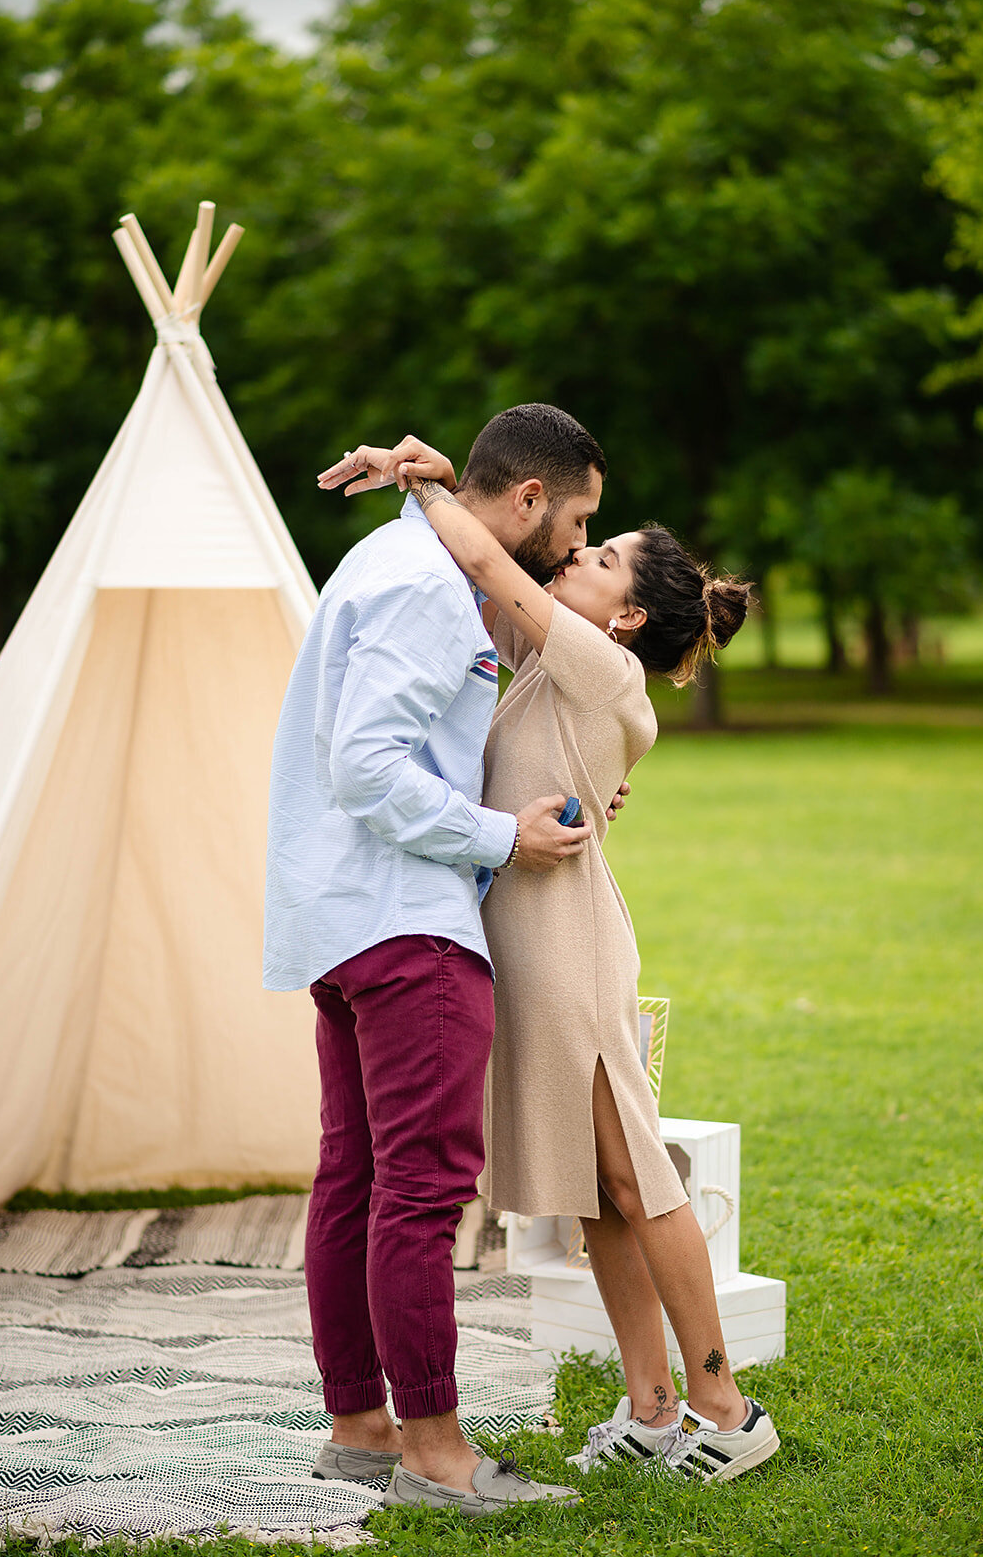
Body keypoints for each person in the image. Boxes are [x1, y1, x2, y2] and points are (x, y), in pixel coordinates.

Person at [319, 434, 780, 1490]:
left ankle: (726, 1405)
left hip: (568, 947)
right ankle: (652, 1403)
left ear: (625, 616)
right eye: (586, 537)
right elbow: (492, 596)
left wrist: (426, 485)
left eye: (600, 553)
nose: (573, 556)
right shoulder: (545, 659)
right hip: (516, 937)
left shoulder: (607, 666)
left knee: (634, 1173)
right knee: (591, 1193)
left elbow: (488, 560)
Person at [266, 404, 622, 1518]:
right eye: (576, 523)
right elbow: (369, 764)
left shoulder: (401, 553)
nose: (572, 549)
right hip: (405, 922)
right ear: (526, 497)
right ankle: (436, 1450)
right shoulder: (427, 589)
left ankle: (361, 1426)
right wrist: (500, 835)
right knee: (419, 1194)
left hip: (343, 916)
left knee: (359, 1179)